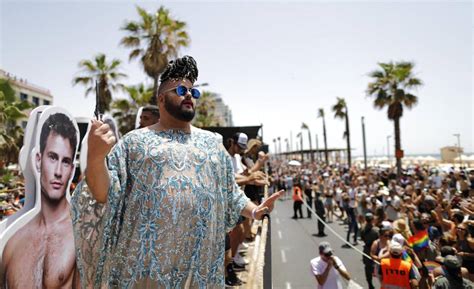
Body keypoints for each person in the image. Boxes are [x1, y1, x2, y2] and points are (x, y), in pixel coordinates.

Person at [72, 55, 283, 288]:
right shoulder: (134, 143)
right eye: (182, 89)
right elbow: (103, 193)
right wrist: (95, 156)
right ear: (161, 98)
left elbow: (230, 193)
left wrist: (256, 211)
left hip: (198, 275)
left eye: (194, 92)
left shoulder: (212, 144)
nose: (189, 96)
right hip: (144, 275)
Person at [2, 113, 79, 288]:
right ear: (38, 160)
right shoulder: (11, 241)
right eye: (52, 157)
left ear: (72, 169)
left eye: (65, 161)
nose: (58, 171)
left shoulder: (80, 232)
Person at [361, 212, 379, 289]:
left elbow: (362, 238)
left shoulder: (362, 229)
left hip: (366, 249)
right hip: (375, 250)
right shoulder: (376, 230)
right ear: (372, 220)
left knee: (367, 268)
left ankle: (370, 283)